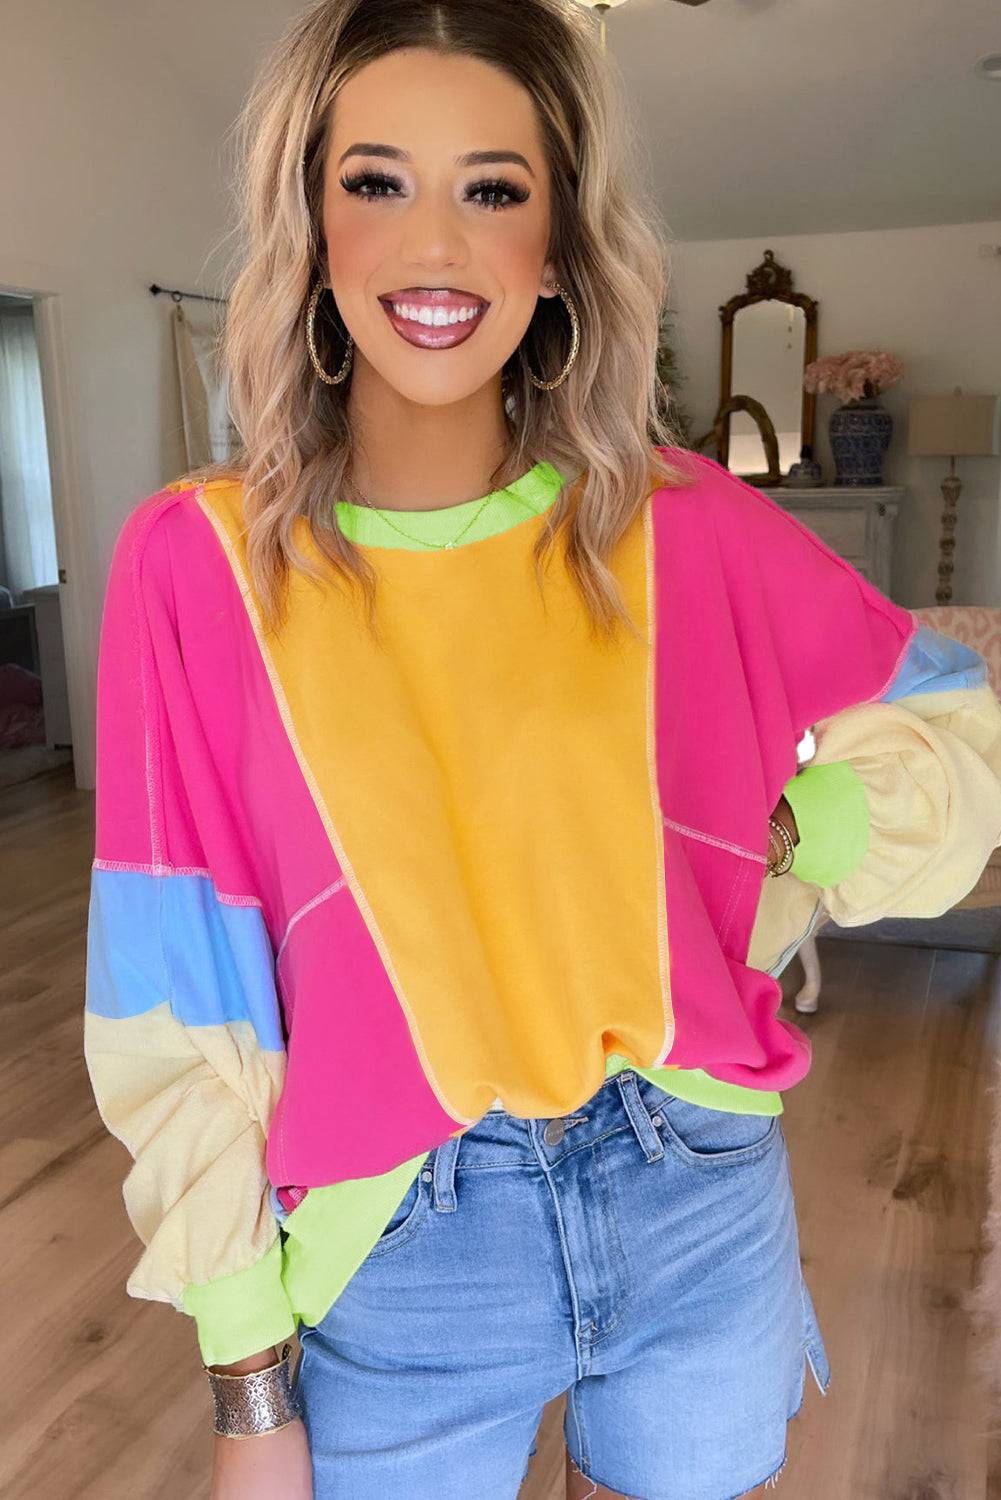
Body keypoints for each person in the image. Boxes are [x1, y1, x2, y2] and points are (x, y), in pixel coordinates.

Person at [82, 2, 1001, 1497]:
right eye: (375, 182)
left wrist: (785, 836)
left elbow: (955, 716)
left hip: (698, 1189)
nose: (434, 246)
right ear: (308, 227)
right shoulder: (201, 567)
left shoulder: (682, 525)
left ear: (559, 243)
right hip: (399, 1245)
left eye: (493, 189)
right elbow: (172, 988)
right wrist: (249, 1389)